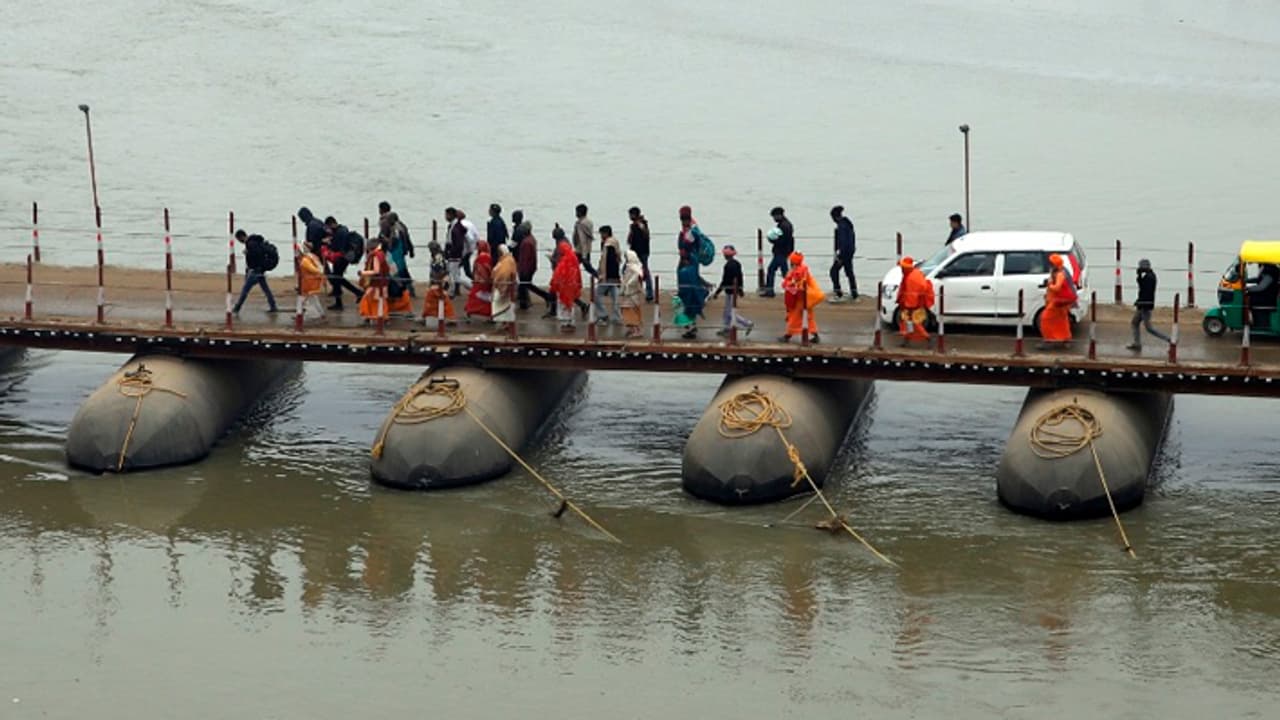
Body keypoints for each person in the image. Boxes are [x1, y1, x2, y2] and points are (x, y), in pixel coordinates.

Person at [1126, 259, 1171, 351]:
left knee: (1149, 328)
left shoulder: (1149, 278)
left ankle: (1169, 339)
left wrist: (1140, 302)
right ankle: (1137, 343)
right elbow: (1141, 286)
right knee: (1134, 323)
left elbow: (1146, 292)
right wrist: (1139, 276)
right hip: (1142, 304)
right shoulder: (1148, 276)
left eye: (1141, 267)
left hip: (1145, 306)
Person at [232, 231, 279, 315]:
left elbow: (256, 256)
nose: (240, 242)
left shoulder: (251, 244)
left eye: (239, 240)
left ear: (241, 237)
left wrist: (248, 254)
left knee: (245, 289)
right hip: (260, 269)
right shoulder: (256, 242)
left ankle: (237, 308)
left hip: (256, 270)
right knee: (265, 289)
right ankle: (273, 306)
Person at [711, 245, 753, 337]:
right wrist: (741, 289)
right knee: (727, 312)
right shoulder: (737, 264)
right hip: (735, 290)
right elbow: (740, 277)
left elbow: (725, 280)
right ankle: (726, 328)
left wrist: (717, 292)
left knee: (730, 312)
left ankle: (747, 323)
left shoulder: (728, 266)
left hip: (730, 291)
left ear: (726, 255)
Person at [779, 251, 821, 343]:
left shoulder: (797, 271)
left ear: (793, 261)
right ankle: (815, 335)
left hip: (800, 298)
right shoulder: (803, 269)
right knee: (808, 318)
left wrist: (786, 284)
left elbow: (794, 284)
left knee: (794, 317)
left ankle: (788, 336)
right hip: (806, 298)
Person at [1038, 253, 1075, 348]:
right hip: (1060, 301)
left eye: (1051, 263)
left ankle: (1049, 340)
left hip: (1058, 301)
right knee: (1062, 320)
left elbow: (1057, 288)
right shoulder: (1058, 272)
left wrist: (1049, 285)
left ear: (1054, 264)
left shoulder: (1060, 274)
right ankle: (1065, 339)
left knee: (1045, 319)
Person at [895, 256, 935, 346]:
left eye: (902, 267)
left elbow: (912, 295)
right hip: (914, 304)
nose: (901, 269)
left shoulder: (911, 278)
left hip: (913, 306)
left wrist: (909, 308)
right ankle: (906, 341)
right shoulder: (914, 274)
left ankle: (927, 338)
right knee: (907, 323)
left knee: (914, 324)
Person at [550, 239, 582, 332]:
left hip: (564, 286)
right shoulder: (574, 258)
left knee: (563, 304)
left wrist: (554, 283)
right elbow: (577, 272)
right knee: (570, 304)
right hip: (572, 285)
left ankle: (565, 323)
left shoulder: (564, 260)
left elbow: (559, 274)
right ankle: (571, 322)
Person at [420, 241, 456, 325]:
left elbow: (439, 271)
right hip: (440, 280)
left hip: (440, 281)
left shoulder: (438, 258)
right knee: (440, 300)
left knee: (434, 299)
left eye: (430, 249)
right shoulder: (439, 256)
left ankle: (428, 315)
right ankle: (448, 316)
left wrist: (437, 283)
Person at [379, 211, 414, 298]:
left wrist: (384, 239)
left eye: (388, 219)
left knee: (398, 271)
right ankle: (408, 289)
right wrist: (410, 249)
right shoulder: (401, 226)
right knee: (402, 270)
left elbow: (393, 242)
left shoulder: (395, 229)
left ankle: (402, 290)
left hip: (396, 253)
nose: (387, 221)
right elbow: (407, 238)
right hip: (400, 251)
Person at [358, 236, 392, 323]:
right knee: (380, 300)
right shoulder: (381, 254)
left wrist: (363, 273)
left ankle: (373, 317)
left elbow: (376, 271)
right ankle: (379, 317)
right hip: (383, 281)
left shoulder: (375, 256)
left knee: (371, 299)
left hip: (377, 282)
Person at [762, 206, 794, 297]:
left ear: (779, 215)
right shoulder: (786, 224)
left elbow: (782, 240)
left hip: (781, 252)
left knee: (772, 270)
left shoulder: (784, 226)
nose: (774, 219)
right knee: (784, 272)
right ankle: (792, 290)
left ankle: (770, 290)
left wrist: (772, 240)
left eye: (774, 217)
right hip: (784, 252)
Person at [593, 225, 623, 325]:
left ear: (605, 233)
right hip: (614, 275)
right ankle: (616, 317)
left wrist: (602, 275)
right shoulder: (614, 242)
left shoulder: (608, 245)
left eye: (601, 233)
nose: (601, 236)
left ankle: (603, 315)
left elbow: (607, 261)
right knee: (615, 297)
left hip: (608, 276)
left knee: (597, 295)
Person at [674, 255, 708, 340]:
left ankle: (691, 329)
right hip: (693, 295)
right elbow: (697, 279)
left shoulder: (682, 271)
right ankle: (692, 328)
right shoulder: (692, 270)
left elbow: (682, 285)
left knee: (685, 313)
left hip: (687, 295)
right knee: (691, 313)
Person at [829, 205, 858, 302]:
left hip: (844, 254)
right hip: (850, 252)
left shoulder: (842, 227)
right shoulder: (848, 224)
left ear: (835, 217)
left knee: (833, 271)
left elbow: (843, 242)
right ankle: (854, 293)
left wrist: (840, 256)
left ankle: (838, 293)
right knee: (849, 272)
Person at [444, 207, 471, 296]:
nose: (445, 217)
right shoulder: (454, 226)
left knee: (455, 276)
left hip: (454, 255)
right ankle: (451, 292)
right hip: (454, 253)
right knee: (453, 274)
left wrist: (452, 253)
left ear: (451, 215)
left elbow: (458, 243)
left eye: (447, 215)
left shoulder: (455, 228)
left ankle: (472, 287)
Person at [627, 207, 652, 301]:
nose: (630, 216)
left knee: (644, 271)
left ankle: (649, 293)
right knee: (633, 270)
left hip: (642, 251)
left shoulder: (642, 224)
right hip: (635, 251)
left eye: (631, 214)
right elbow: (630, 240)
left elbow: (646, 235)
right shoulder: (633, 225)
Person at [491, 244, 518, 330]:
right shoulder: (505, 260)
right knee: (505, 306)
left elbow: (505, 273)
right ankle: (506, 324)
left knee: (506, 306)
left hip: (506, 286)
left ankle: (511, 329)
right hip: (505, 286)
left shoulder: (508, 261)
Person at [620, 248, 646, 338]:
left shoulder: (634, 268)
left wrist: (628, 285)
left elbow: (635, 279)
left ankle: (636, 330)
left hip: (631, 293)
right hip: (628, 293)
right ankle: (632, 329)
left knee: (630, 311)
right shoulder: (633, 266)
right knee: (627, 311)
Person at [465, 241, 493, 320]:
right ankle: (490, 314)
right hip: (485, 281)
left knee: (474, 297)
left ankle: (470, 312)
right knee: (486, 299)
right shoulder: (488, 256)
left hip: (479, 281)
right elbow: (489, 268)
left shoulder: (481, 257)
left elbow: (476, 269)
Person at [298, 244, 327, 320]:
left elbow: (314, 270)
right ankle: (320, 313)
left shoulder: (305, 261)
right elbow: (320, 269)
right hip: (313, 282)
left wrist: (318, 275)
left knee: (305, 300)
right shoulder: (313, 256)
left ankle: (307, 316)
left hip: (309, 283)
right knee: (313, 299)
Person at [1247, 262, 1280, 328]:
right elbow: (1259, 280)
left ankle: (1260, 324)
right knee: (1251, 296)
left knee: (1251, 299)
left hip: (1268, 298)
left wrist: (1248, 289)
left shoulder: (1270, 271)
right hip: (1268, 295)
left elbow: (1261, 287)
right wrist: (1246, 280)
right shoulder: (1268, 269)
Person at [573, 203, 598, 278]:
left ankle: (600, 278)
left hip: (581, 251)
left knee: (572, 266)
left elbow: (582, 239)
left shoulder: (581, 224)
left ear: (579, 212)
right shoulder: (588, 222)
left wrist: (584, 255)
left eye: (576, 212)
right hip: (586, 249)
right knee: (587, 267)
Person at [459, 210, 480, 280]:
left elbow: (469, 238)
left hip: (462, 250)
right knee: (465, 268)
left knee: (454, 268)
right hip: (470, 249)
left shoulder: (459, 225)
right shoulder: (470, 223)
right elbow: (476, 236)